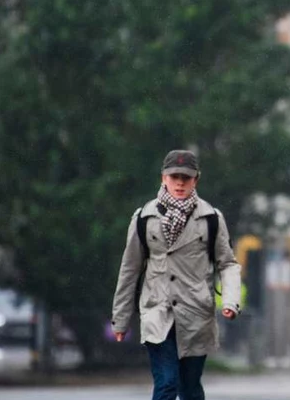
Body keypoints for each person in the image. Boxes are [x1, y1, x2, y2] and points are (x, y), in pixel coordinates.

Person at [111, 150, 242, 400]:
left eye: (186, 177)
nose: (180, 182)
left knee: (190, 387)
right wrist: (121, 318)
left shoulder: (211, 219)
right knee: (167, 382)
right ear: (163, 178)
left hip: (196, 313)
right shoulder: (144, 218)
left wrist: (230, 302)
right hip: (157, 312)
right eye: (174, 177)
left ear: (196, 180)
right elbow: (130, 269)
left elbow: (228, 264)